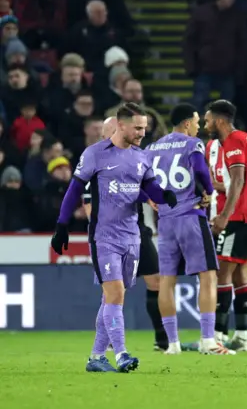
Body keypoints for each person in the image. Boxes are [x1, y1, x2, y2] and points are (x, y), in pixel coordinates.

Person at [51, 102, 178, 373]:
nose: (143, 132)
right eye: (138, 127)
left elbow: (150, 188)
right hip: (104, 237)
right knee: (115, 293)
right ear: (121, 125)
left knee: (110, 299)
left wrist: (163, 195)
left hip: (133, 236)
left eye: (144, 127)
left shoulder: (141, 157)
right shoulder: (95, 154)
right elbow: (74, 191)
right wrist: (61, 225)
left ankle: (96, 357)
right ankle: (121, 354)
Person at [146, 103, 233, 356]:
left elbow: (140, 177)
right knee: (207, 276)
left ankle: (172, 344)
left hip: (165, 223)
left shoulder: (153, 148)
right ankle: (208, 341)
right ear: (186, 123)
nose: (198, 126)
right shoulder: (192, 144)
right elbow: (200, 169)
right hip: (190, 217)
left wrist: (150, 198)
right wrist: (207, 192)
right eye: (196, 122)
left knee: (166, 282)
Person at [82, 117, 169, 352]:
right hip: (109, 235)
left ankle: (162, 339)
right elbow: (89, 205)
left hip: (138, 231)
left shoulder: (135, 160)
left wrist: (153, 197)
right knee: (114, 290)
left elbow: (147, 190)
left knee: (156, 281)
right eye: (104, 133)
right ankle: (108, 341)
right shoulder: (95, 162)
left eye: (107, 131)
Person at [204, 100, 247, 352]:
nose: (206, 124)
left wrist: (224, 215)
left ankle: (220, 336)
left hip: (238, 216)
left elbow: (239, 180)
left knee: (226, 272)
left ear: (219, 121)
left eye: (208, 120)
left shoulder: (232, 142)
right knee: (241, 272)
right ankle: (243, 337)